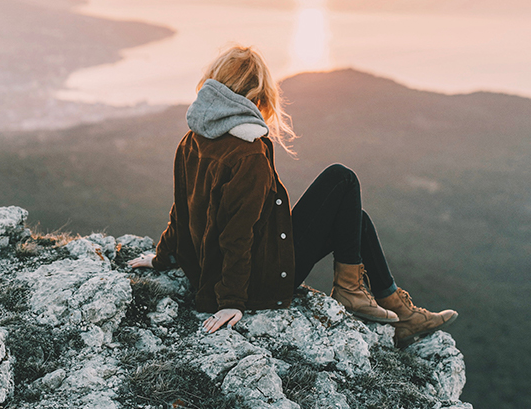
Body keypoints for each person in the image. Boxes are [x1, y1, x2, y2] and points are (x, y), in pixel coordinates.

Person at [128, 45, 457, 348]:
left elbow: (182, 210)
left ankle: (399, 311)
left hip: (220, 269)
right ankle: (351, 292)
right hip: (260, 280)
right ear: (257, 96)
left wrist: (163, 256)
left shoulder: (192, 138)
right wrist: (231, 300)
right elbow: (236, 233)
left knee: (354, 218)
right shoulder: (248, 152)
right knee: (341, 179)